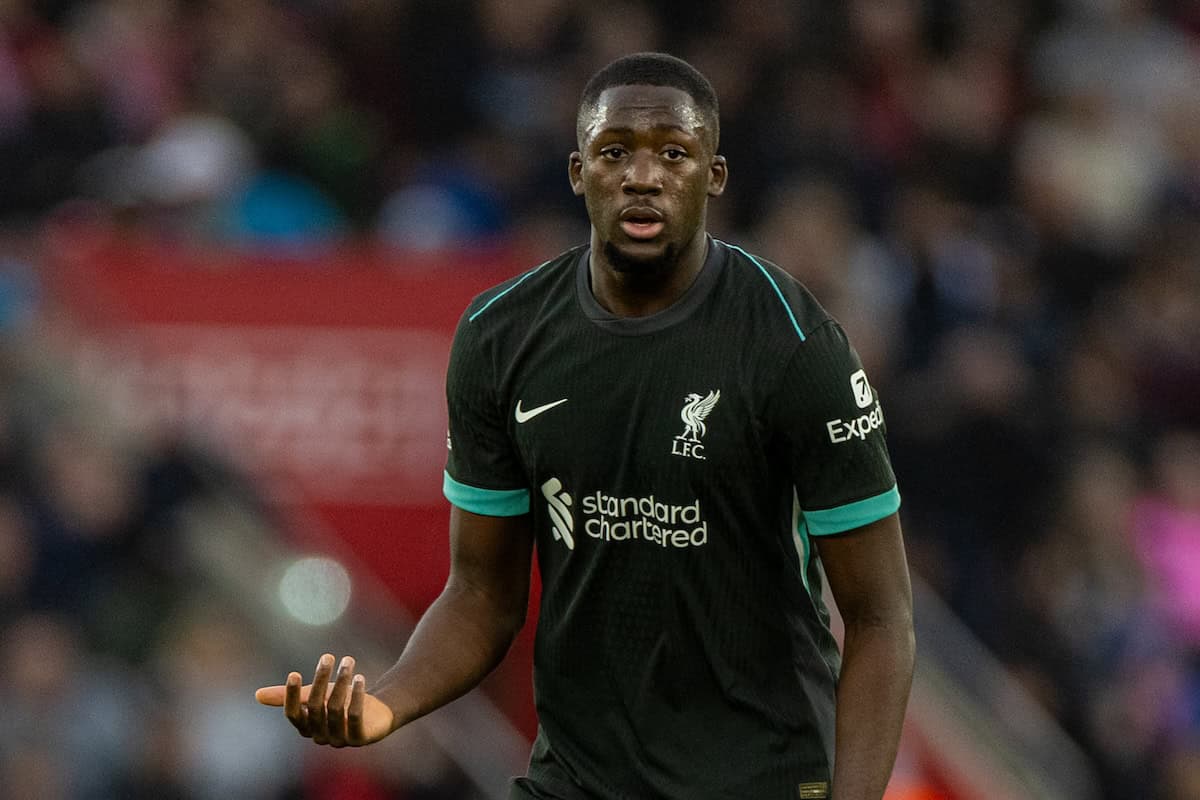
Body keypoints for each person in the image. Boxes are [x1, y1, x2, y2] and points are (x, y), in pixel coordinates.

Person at [256, 52, 915, 800]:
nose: (643, 175)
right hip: (575, 782)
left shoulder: (794, 346)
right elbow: (480, 594)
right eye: (614, 153)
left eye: (674, 152)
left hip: (756, 779)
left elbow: (880, 618)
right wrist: (384, 705)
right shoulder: (501, 336)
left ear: (715, 176)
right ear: (578, 173)